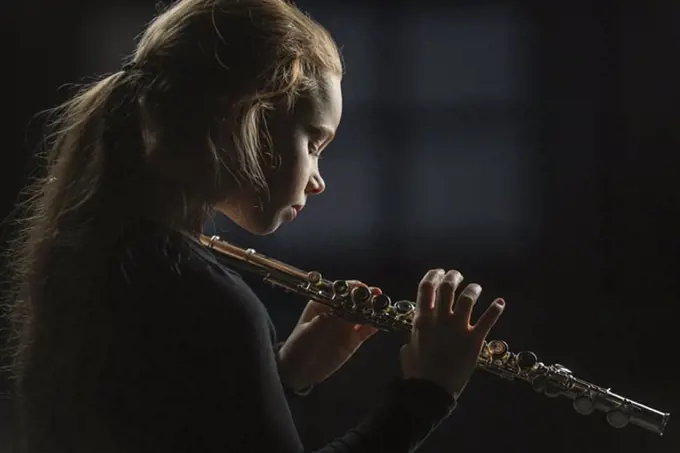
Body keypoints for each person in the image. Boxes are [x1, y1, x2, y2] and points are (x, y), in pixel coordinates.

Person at [2, 0, 506, 452]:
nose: (318, 181)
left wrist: (281, 374)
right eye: (313, 143)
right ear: (245, 115)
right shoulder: (206, 298)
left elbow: (175, 428)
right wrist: (427, 392)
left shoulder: (102, 259)